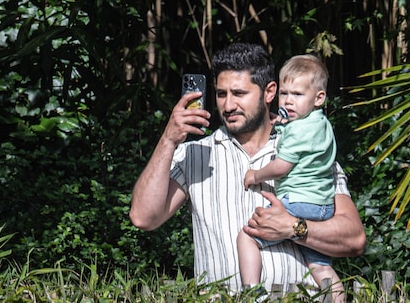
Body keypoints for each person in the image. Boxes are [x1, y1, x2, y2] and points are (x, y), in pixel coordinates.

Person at [130, 42, 366, 294]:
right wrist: (168, 139)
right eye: (222, 94)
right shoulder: (195, 154)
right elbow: (143, 217)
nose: (228, 105)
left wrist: (292, 228)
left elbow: (354, 239)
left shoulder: (311, 149)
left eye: (239, 93)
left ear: (269, 92)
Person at [236, 55, 340, 294]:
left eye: (297, 94)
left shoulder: (298, 131)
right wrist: (282, 125)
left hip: (298, 201)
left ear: (319, 98)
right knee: (320, 266)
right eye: (285, 94)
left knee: (247, 237)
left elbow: (282, 166)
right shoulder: (320, 123)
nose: (289, 101)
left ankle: (252, 293)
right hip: (323, 206)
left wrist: (256, 175)